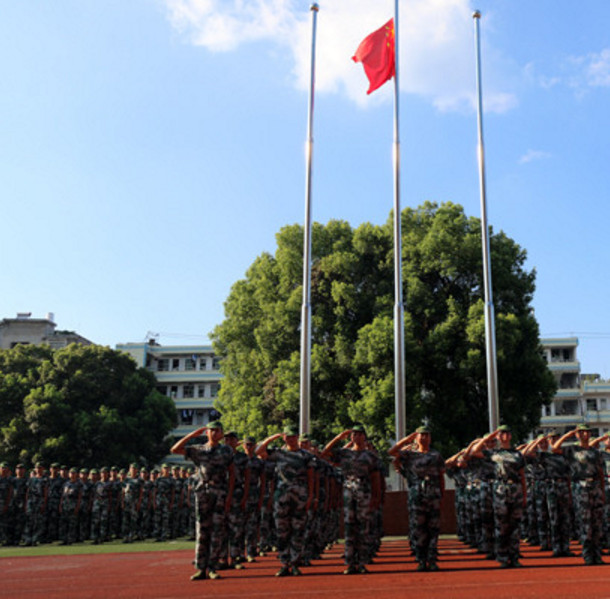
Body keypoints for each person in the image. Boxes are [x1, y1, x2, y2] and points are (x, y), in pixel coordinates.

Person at [171, 421, 235, 581]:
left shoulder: (226, 450)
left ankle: (212, 567)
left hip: (219, 492)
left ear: (221, 433)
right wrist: (192, 435)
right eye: (211, 430)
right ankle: (201, 568)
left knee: (217, 531)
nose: (214, 433)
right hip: (203, 493)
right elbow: (174, 449)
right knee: (202, 531)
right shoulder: (199, 450)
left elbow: (232, 473)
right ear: (207, 433)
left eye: (217, 430)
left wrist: (229, 496)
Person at [256, 425, 314, 577]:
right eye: (288, 436)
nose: (291, 439)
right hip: (281, 497)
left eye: (294, 436)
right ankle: (284, 563)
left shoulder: (306, 456)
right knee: (281, 531)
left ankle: (295, 563)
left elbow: (311, 477)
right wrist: (272, 437)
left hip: (300, 496)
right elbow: (258, 452)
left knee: (297, 530)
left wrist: (310, 496)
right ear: (284, 438)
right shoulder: (278, 453)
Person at [389, 426, 444, 571]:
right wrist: (406, 439)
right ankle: (421, 560)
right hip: (417, 496)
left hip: (433, 495)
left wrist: (441, 495)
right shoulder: (409, 455)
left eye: (427, 435)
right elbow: (391, 452)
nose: (424, 438)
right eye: (421, 435)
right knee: (418, 529)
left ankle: (431, 560)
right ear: (416, 437)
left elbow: (440, 476)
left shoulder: (436, 455)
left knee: (433, 529)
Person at [470, 425, 526, 569]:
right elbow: (474, 451)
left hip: (516, 489)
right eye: (501, 434)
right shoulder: (493, 453)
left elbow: (522, 475)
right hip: (500, 489)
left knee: (515, 525)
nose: (504, 436)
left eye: (507, 433)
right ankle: (502, 556)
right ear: (497, 437)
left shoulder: (517, 454)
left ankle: (514, 556)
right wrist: (488, 437)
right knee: (501, 524)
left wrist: (524, 495)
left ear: (510, 436)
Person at [551, 424, 605, 565]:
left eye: (586, 432)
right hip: (580, 487)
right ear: (577, 434)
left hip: (595, 487)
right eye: (580, 432)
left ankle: (597, 555)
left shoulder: (596, 452)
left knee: (597, 524)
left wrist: (602, 491)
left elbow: (600, 473)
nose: (584, 435)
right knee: (585, 523)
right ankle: (587, 555)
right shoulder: (572, 450)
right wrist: (568, 435)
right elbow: (555, 448)